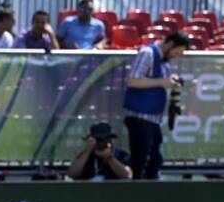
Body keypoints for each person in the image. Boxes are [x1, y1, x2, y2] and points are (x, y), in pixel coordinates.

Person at [122, 29, 189, 180]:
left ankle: (150, 189)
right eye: (177, 52)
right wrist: (162, 82)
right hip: (140, 117)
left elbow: (159, 79)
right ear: (170, 44)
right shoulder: (148, 54)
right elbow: (133, 80)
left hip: (152, 118)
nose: (177, 56)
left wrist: (172, 80)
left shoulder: (164, 61)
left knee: (155, 160)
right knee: (140, 161)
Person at [66, 122, 133, 180]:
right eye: (98, 139)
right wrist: (87, 152)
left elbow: (127, 175)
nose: (101, 142)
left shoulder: (120, 155)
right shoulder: (86, 156)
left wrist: (110, 159)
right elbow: (71, 174)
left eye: (105, 139)